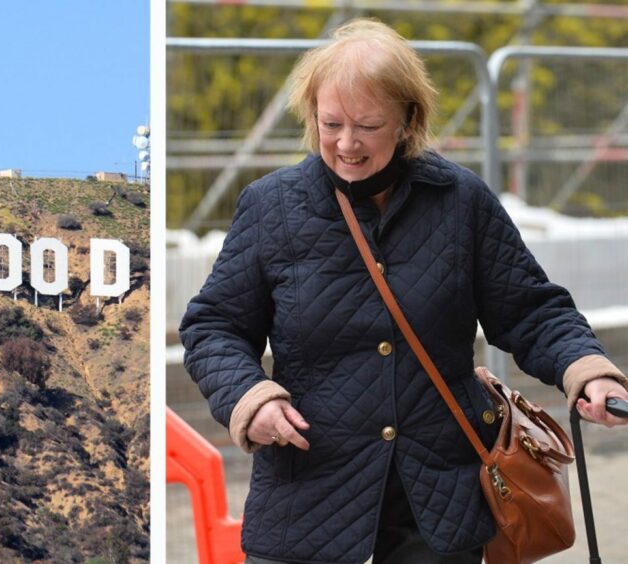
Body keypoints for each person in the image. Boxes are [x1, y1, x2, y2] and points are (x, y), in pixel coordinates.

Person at [179, 18, 628, 564]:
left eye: (368, 125)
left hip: (437, 501)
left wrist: (589, 369)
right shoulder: (271, 207)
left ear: (409, 119)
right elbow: (214, 326)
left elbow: (531, 308)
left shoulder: (462, 201)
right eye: (331, 123)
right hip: (310, 499)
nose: (346, 143)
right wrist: (252, 400)